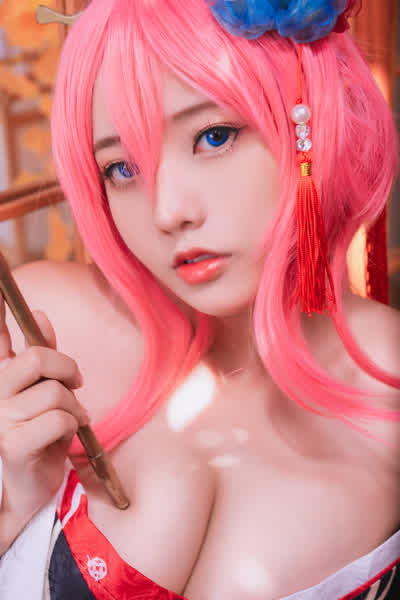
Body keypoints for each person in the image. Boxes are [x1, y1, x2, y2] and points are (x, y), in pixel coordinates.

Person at [0, 0, 400, 598]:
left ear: (307, 121)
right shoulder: (37, 337)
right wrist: (11, 506)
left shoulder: (387, 391)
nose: (167, 212)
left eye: (214, 136)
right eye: (122, 169)